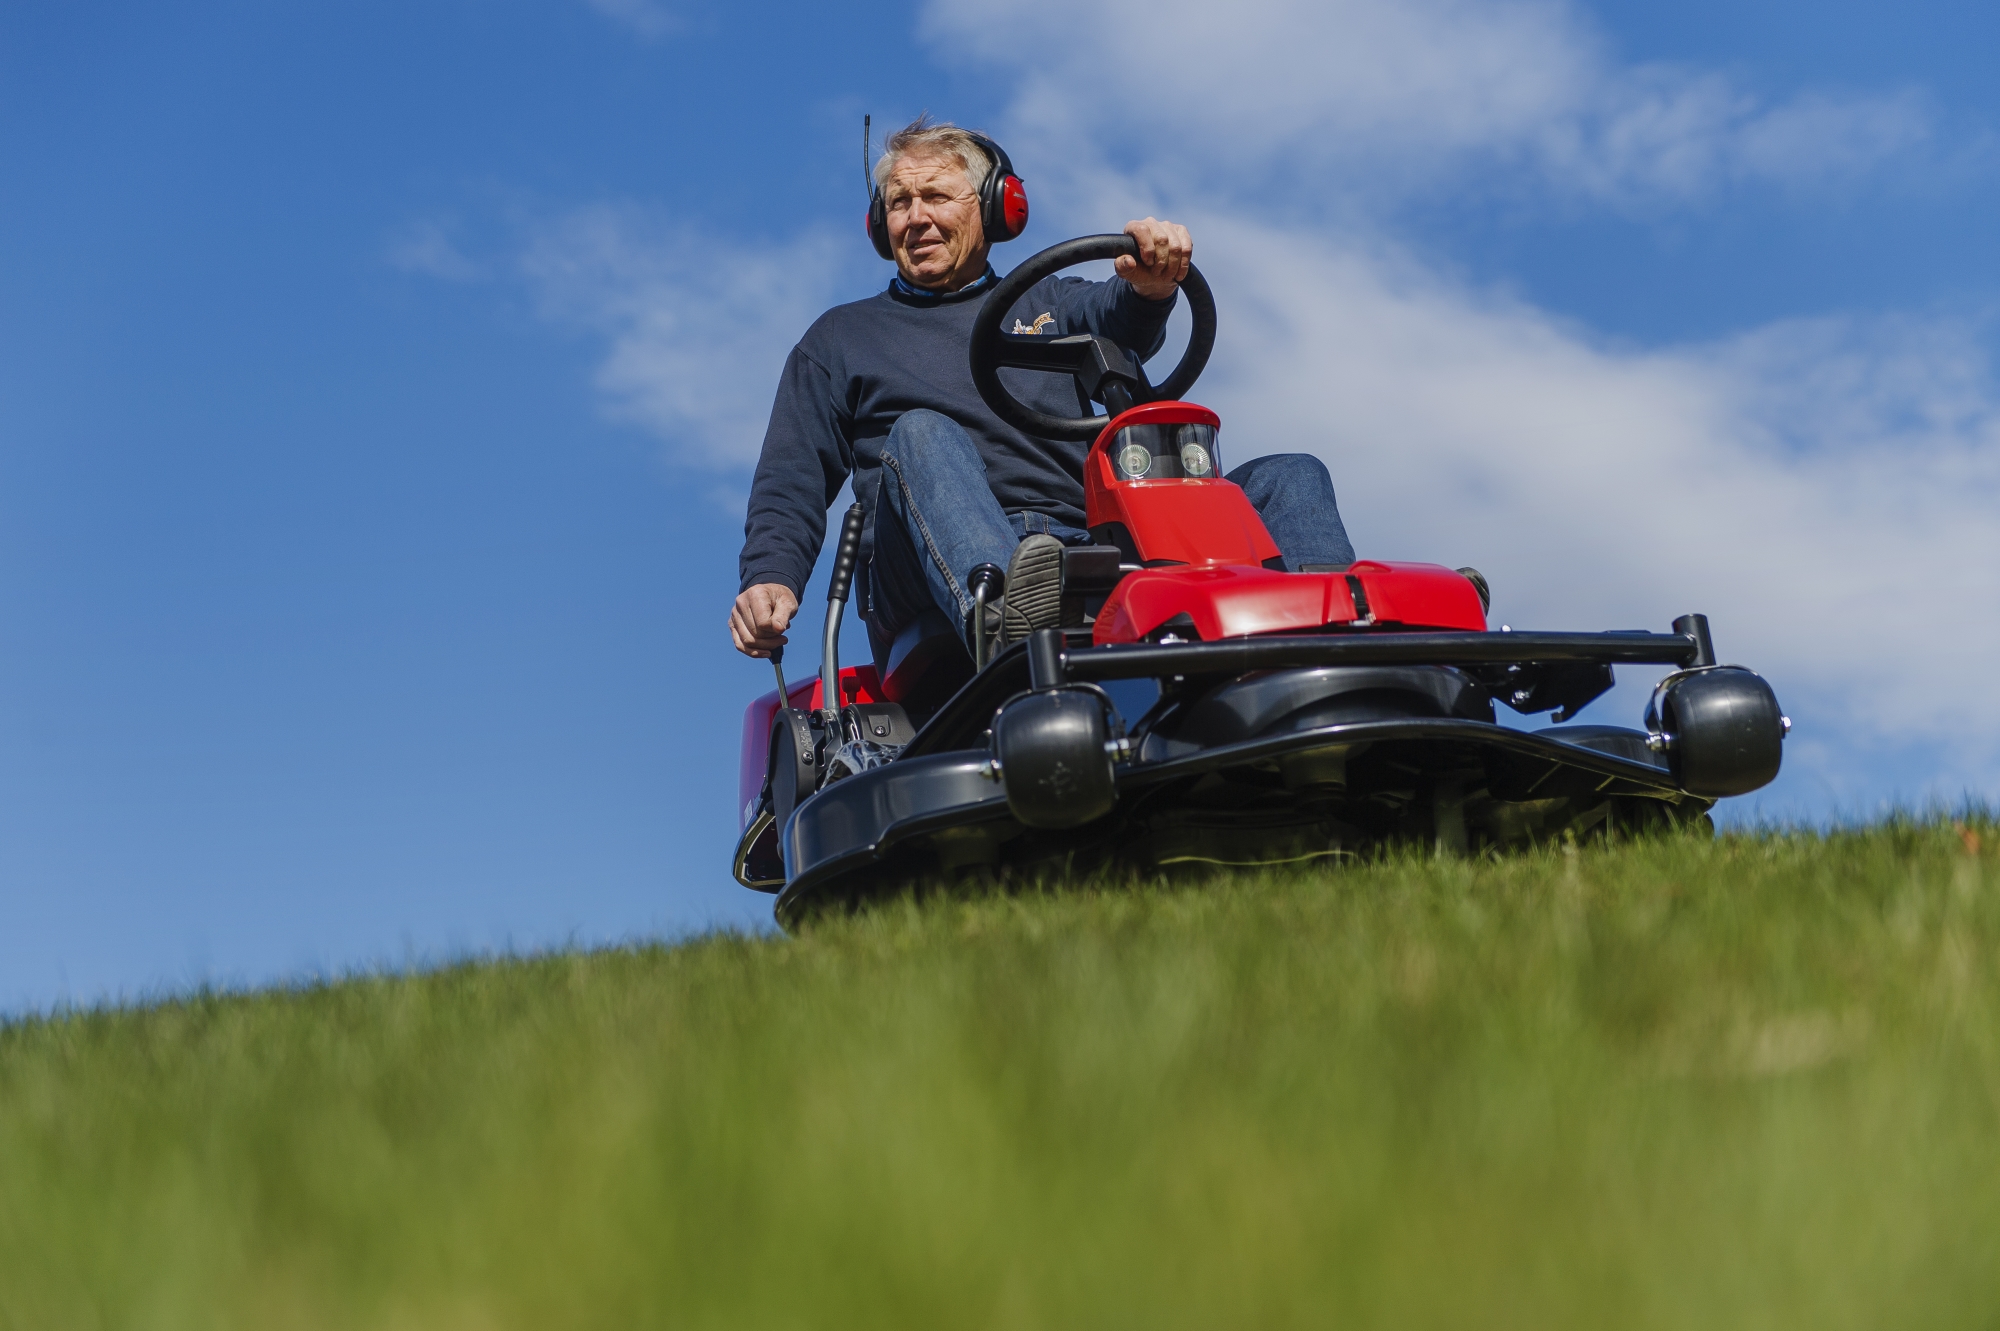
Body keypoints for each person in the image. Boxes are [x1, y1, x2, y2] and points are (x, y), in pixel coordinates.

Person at [729, 116, 1355, 664]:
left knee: (1291, 474)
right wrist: (771, 577)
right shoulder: (841, 337)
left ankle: (1341, 641)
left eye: (937, 197)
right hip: (924, 572)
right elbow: (793, 474)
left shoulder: (1053, 303)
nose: (916, 218)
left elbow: (1116, 321)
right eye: (899, 203)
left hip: (1083, 543)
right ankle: (1009, 626)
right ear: (878, 223)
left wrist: (1150, 285)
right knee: (921, 433)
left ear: (994, 208)